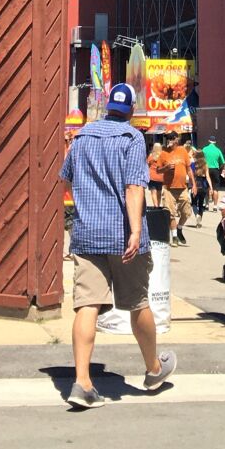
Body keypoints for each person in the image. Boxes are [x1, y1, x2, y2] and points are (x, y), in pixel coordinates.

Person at [60, 82, 176, 409]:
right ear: (131, 111)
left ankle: (82, 382)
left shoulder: (82, 137)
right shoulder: (132, 138)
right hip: (122, 236)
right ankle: (154, 369)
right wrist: (137, 230)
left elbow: (66, 178)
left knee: (87, 305)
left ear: (108, 106)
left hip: (87, 234)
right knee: (138, 302)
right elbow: (134, 186)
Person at [157, 131, 195, 246]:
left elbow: (189, 169)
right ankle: (173, 236)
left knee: (187, 212)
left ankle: (179, 229)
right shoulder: (163, 153)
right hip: (169, 188)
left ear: (176, 139)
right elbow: (158, 170)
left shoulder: (182, 151)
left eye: (172, 138)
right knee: (170, 213)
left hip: (183, 187)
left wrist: (193, 184)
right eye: (168, 139)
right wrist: (166, 168)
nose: (170, 141)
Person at [147, 139, 166, 208]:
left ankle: (156, 205)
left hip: (152, 176)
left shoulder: (151, 156)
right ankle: (158, 204)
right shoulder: (163, 155)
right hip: (160, 176)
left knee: (153, 192)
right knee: (159, 191)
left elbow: (147, 165)